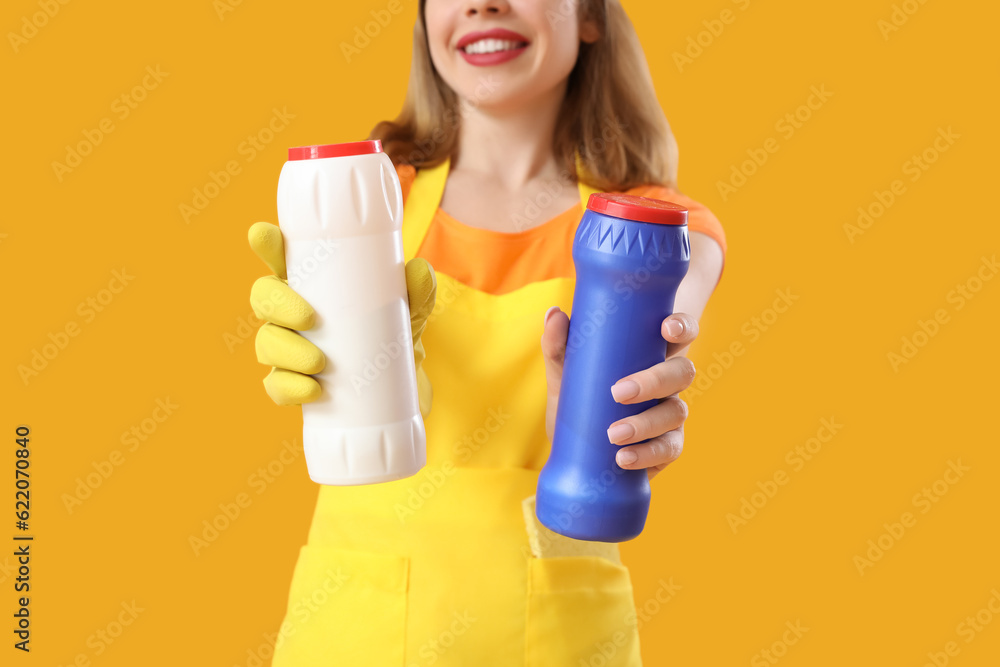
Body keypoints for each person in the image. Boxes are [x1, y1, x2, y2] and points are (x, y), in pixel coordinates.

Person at [247, 1, 726, 664]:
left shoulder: (652, 229)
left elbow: (671, 323)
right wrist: (337, 368)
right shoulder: (374, 192)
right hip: (355, 633)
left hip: (562, 639)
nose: (482, 2)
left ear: (589, 16)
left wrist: (630, 411)